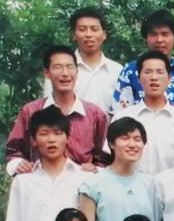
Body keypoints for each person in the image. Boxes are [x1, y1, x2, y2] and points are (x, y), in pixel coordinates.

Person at [7, 45, 109, 175]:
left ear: (77, 72)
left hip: (82, 184)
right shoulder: (30, 111)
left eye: (70, 67)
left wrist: (96, 169)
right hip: (41, 182)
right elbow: (13, 151)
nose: (65, 73)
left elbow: (106, 158)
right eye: (57, 67)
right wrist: (19, 164)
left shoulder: (95, 114)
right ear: (47, 73)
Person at [79, 117, 159, 221]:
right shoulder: (93, 184)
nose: (132, 144)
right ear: (111, 143)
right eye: (125, 138)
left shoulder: (150, 183)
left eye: (137, 139)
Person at [112, 51, 174, 175]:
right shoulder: (122, 117)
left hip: (172, 186)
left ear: (169, 79)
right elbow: (110, 157)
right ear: (139, 79)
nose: (154, 77)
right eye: (148, 72)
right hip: (130, 185)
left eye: (160, 72)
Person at [46, 8, 121, 113]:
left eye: (94, 29)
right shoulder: (59, 70)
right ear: (73, 35)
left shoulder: (118, 71)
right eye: (82, 29)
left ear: (104, 34)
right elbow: (48, 106)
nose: (89, 34)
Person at [114, 10, 174, 111]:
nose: (159, 40)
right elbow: (120, 112)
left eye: (165, 34)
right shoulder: (130, 71)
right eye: (153, 34)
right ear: (146, 38)